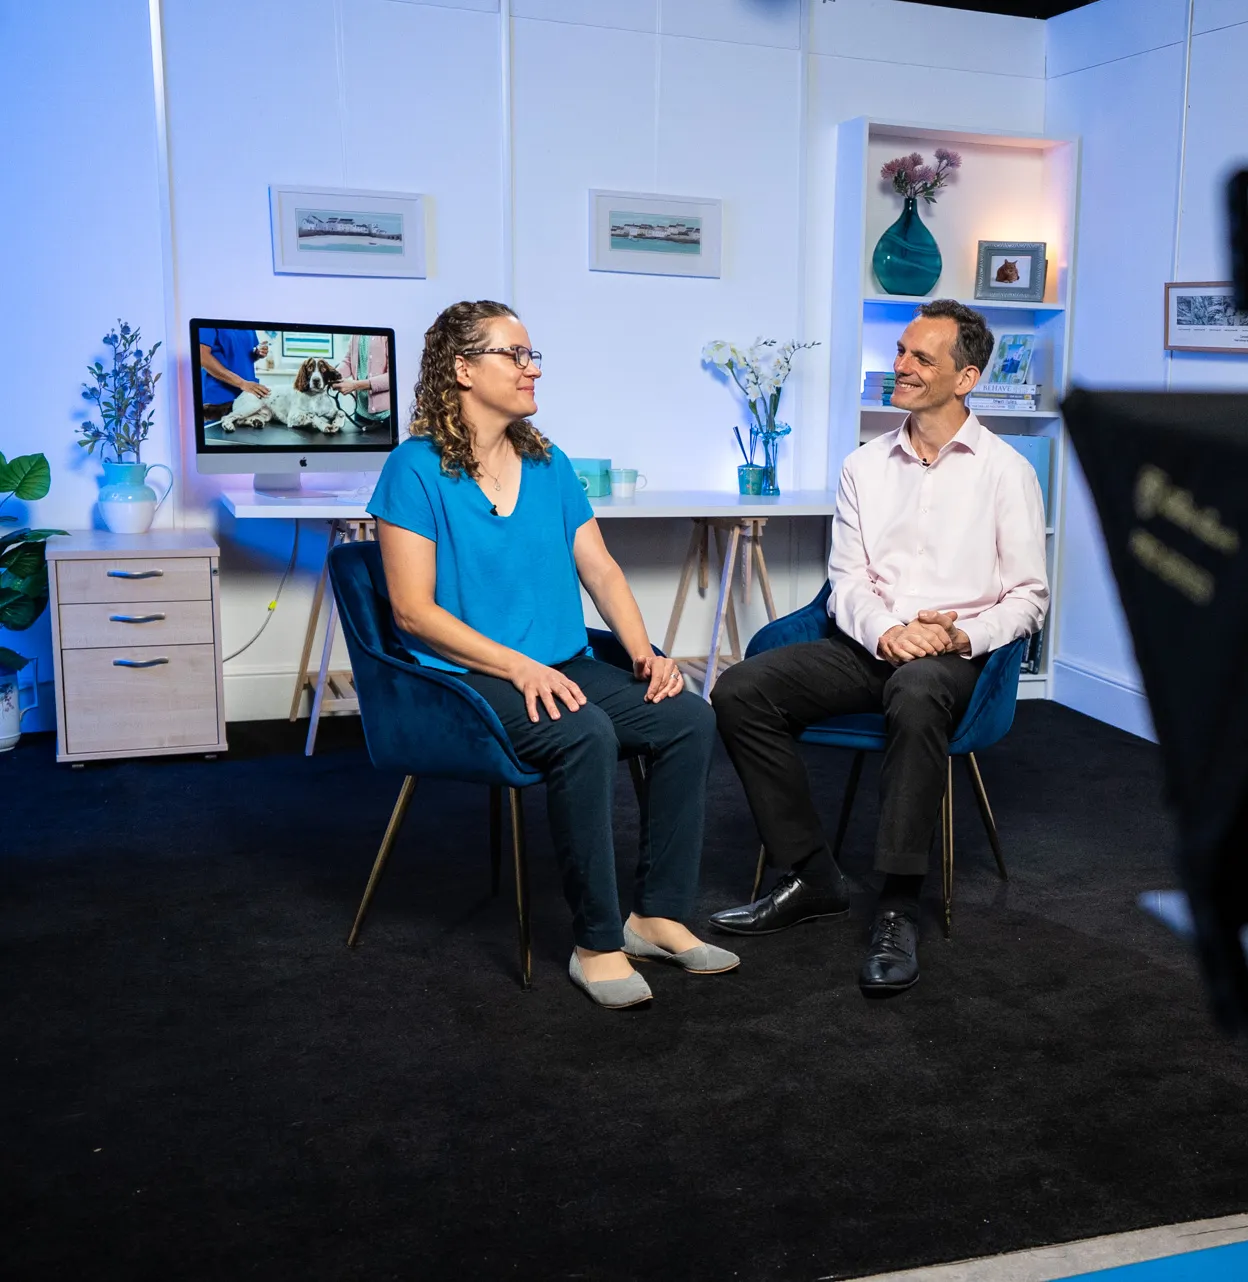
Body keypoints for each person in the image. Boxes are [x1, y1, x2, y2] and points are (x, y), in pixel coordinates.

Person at [367, 300, 731, 1010]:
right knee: (584, 731)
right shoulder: (413, 470)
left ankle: (655, 916)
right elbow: (413, 611)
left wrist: (645, 653)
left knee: (687, 717)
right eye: (516, 355)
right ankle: (596, 943)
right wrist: (515, 666)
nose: (532, 368)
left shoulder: (547, 460)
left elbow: (600, 569)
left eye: (533, 355)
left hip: (561, 662)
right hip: (466, 681)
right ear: (463, 369)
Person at [708, 299, 1048, 994]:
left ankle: (897, 902)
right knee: (740, 689)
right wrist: (888, 632)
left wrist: (960, 635)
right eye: (901, 351)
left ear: (967, 378)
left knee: (919, 692)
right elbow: (846, 581)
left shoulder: (1006, 471)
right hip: (870, 643)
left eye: (922, 358)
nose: (901, 366)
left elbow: (1029, 596)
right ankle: (812, 876)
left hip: (956, 658)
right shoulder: (864, 466)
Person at [199, 328, 270, 425]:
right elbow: (202, 357)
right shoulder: (210, 320)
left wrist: (257, 353)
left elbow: (244, 355)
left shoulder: (247, 323)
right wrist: (242, 383)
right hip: (220, 397)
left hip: (247, 395)